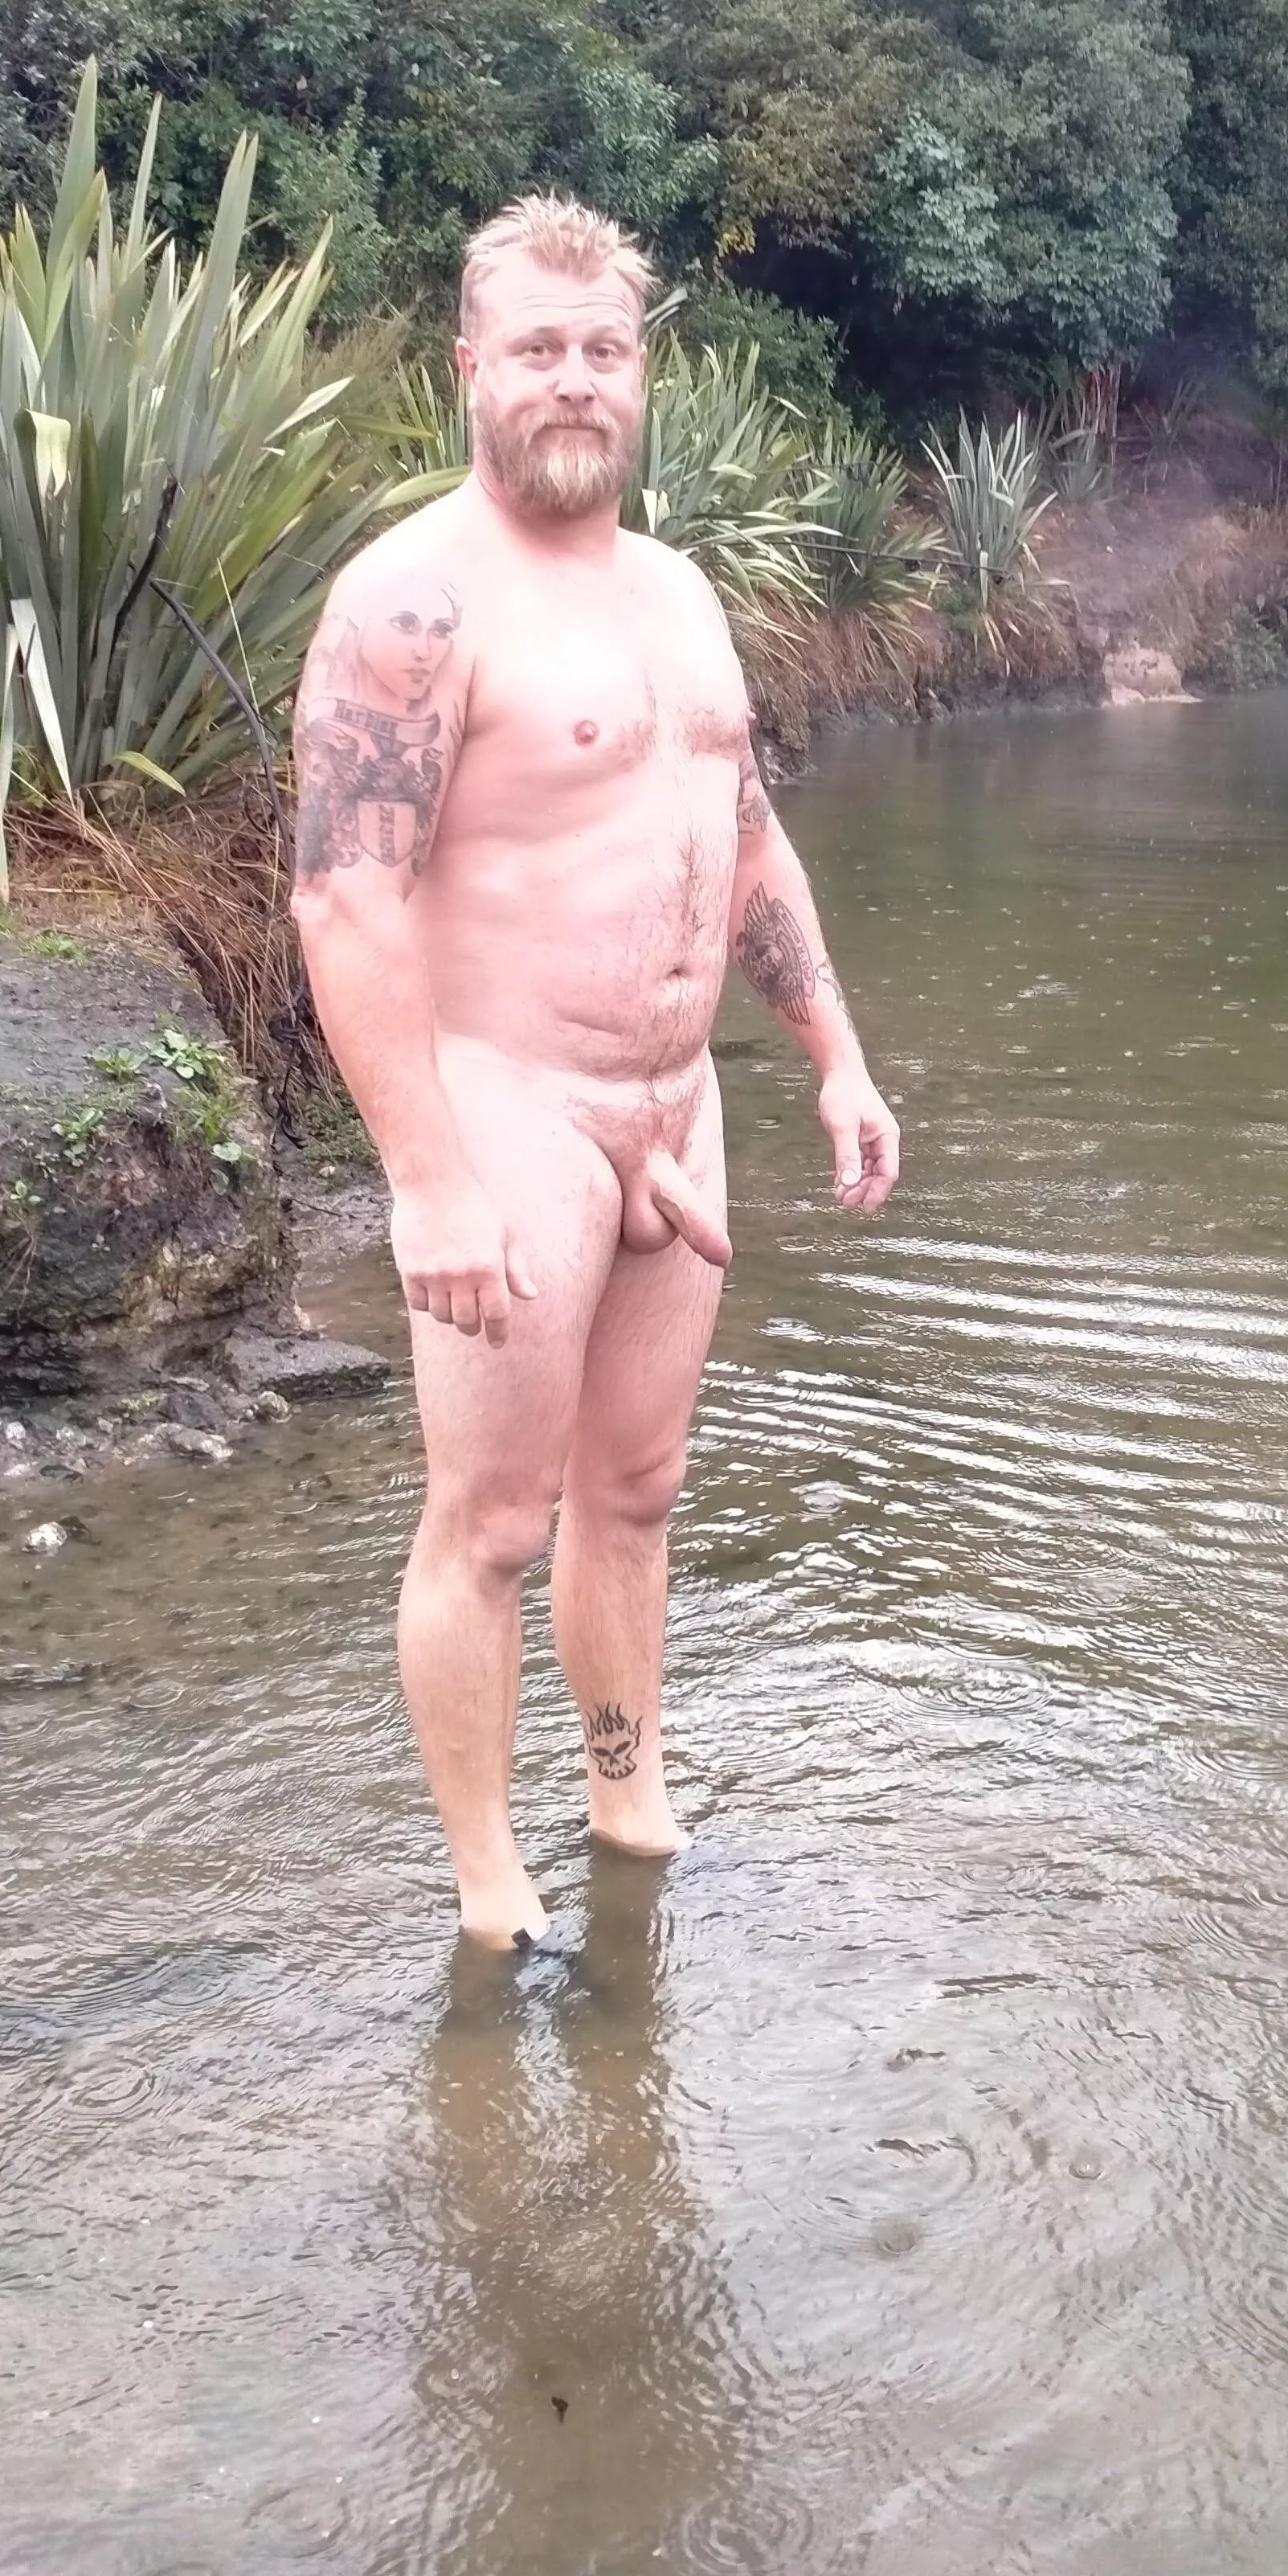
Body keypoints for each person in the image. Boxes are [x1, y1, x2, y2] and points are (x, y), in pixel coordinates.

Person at [290, 193, 901, 1949]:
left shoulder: (683, 592)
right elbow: (348, 897)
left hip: (673, 1101)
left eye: (605, 349)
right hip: (512, 1101)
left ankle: (623, 1781)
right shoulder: (412, 599)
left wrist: (837, 1059)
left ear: (645, 373)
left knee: (634, 1495)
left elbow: (751, 837)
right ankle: (488, 1882)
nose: (574, 379)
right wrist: (428, 1174)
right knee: (490, 1518)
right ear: (471, 365)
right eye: (538, 347)